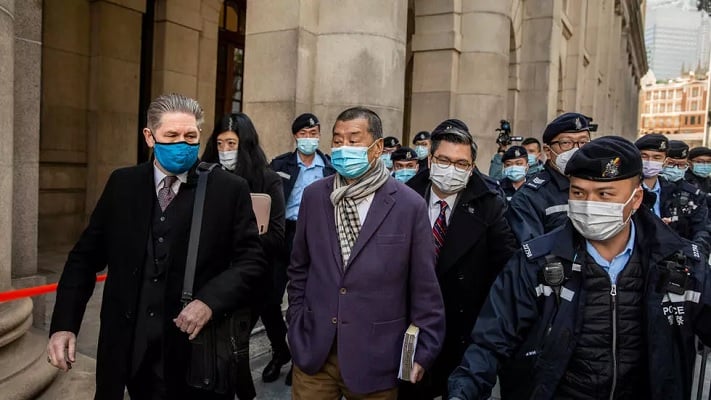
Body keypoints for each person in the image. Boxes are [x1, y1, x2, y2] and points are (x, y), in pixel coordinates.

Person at [448, 136, 711, 400]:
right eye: (578, 193)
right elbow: (489, 343)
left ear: (635, 198)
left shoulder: (681, 263)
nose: (589, 204)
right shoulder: (536, 262)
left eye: (604, 194)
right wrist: (462, 393)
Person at [46, 93, 266, 400]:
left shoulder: (228, 189)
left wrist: (209, 301)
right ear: (150, 137)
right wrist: (63, 325)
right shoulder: (123, 184)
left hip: (193, 355)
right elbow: (83, 259)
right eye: (171, 136)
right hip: (127, 348)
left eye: (190, 136)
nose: (182, 144)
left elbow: (252, 260)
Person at [287, 106, 446, 400]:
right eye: (337, 141)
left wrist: (422, 351)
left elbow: (424, 286)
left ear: (377, 148)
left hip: (377, 357)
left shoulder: (408, 206)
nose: (343, 148)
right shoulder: (315, 197)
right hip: (315, 352)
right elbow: (300, 267)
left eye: (354, 140)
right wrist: (297, 322)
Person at [402, 126, 517, 399]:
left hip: (465, 331)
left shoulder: (490, 203)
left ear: (471, 167)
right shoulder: (404, 196)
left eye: (461, 163)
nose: (451, 168)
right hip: (411, 328)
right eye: (443, 160)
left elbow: (505, 268)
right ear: (430, 160)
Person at [202, 113, 289, 384]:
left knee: (235, 343)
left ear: (246, 144)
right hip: (212, 275)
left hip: (253, 277)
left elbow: (276, 236)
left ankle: (277, 355)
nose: (225, 151)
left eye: (232, 143)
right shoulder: (205, 175)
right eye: (220, 144)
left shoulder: (268, 180)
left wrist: (235, 238)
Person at [269, 112, 336, 384]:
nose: (309, 138)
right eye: (303, 134)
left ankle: (299, 356)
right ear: (295, 136)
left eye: (313, 133)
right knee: (270, 298)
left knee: (308, 299)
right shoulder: (280, 163)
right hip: (283, 232)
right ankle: (279, 351)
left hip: (315, 236)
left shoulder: (330, 166)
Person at [506, 112, 592, 242]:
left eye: (583, 142)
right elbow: (532, 251)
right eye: (566, 143)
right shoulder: (529, 197)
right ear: (548, 151)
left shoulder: (599, 186)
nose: (577, 150)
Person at [657, 140, 711, 253]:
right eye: (671, 164)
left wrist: (696, 252)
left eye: (681, 165)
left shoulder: (694, 194)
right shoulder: (650, 188)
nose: (676, 169)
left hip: (684, 251)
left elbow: (702, 228)